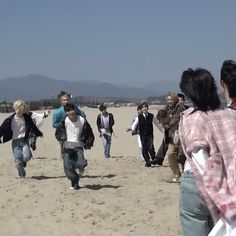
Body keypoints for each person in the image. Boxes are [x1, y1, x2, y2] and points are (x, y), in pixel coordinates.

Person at [178, 68, 221, 236]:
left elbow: (200, 158)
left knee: (194, 224)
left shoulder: (192, 117)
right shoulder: (223, 115)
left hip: (196, 181)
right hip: (223, 181)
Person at [55, 103, 94, 190]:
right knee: (68, 167)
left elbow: (89, 133)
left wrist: (88, 143)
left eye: (72, 109)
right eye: (68, 110)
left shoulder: (82, 120)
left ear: (75, 110)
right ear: (66, 113)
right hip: (67, 147)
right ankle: (75, 181)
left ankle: (81, 167)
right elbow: (58, 133)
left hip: (78, 146)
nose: (71, 111)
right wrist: (62, 139)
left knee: (81, 163)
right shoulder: (64, 121)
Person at [0, 100, 43, 178]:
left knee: (26, 156)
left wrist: (39, 133)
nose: (24, 108)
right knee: (18, 160)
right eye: (22, 106)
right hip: (15, 142)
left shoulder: (26, 117)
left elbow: (32, 126)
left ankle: (23, 161)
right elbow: (1, 129)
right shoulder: (10, 119)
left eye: (24, 106)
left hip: (24, 140)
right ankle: (22, 175)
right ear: (17, 108)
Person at [152, 92, 185, 181]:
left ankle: (186, 173)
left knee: (182, 156)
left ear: (175, 99)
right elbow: (160, 117)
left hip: (181, 134)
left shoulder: (180, 107)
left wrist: (168, 123)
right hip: (170, 136)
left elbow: (176, 118)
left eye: (171, 99)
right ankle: (177, 174)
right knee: (170, 154)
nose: (169, 101)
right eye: (168, 99)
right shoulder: (165, 108)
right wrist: (164, 122)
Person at [131, 102, 163, 167]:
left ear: (147, 108)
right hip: (142, 136)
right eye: (143, 107)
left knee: (150, 147)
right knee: (144, 148)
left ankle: (153, 159)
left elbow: (157, 124)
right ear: (141, 109)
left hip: (150, 135)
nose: (144, 108)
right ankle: (147, 161)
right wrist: (133, 129)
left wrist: (163, 131)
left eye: (146, 107)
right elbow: (134, 125)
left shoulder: (151, 116)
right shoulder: (138, 117)